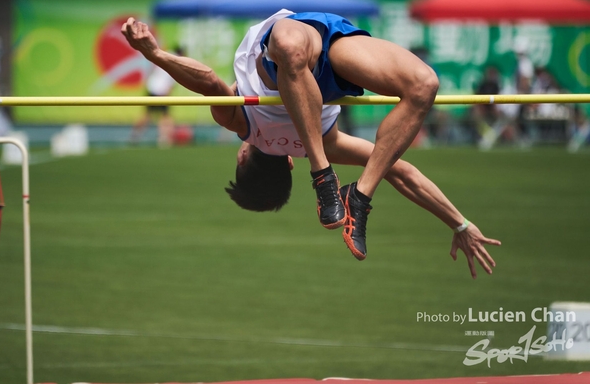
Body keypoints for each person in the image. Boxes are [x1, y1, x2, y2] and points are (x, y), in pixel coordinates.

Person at [121, 14, 500, 278]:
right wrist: (154, 53)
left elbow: (402, 174)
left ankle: (356, 194)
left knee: (418, 86)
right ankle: (334, 184)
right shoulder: (244, 124)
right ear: (244, 156)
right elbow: (209, 81)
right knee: (423, 86)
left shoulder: (328, 143)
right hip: (308, 51)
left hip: (319, 54)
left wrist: (460, 223)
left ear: (288, 165)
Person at [130, 46, 185, 147]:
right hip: (160, 91)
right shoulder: (177, 63)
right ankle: (164, 139)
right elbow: (170, 85)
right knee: (165, 116)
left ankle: (135, 136)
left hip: (152, 88)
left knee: (148, 115)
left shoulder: (165, 55)